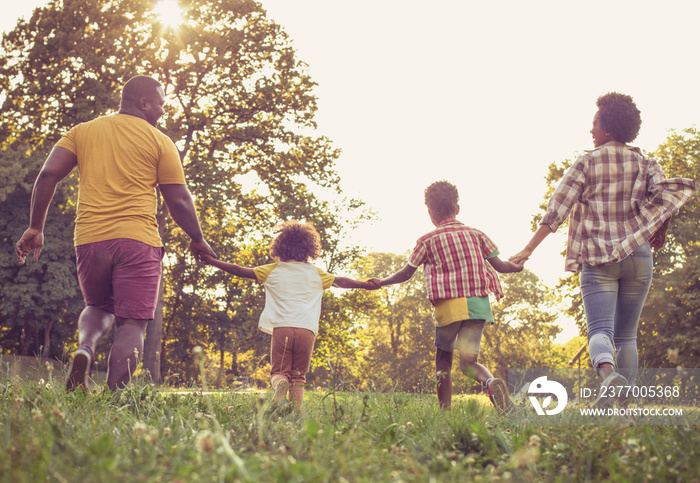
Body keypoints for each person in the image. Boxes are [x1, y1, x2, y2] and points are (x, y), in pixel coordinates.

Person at [15, 75, 215, 391]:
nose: (163, 111)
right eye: (161, 103)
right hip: (138, 241)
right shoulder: (161, 142)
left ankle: (85, 349)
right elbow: (177, 199)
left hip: (90, 239)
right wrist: (198, 237)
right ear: (144, 102)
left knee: (97, 307)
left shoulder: (83, 131)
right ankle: (114, 399)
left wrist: (36, 226)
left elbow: (48, 174)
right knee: (132, 323)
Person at [510, 92, 695, 406]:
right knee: (627, 336)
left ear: (608, 128)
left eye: (594, 123)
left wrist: (526, 251)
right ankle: (626, 412)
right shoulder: (647, 163)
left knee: (600, 331)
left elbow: (556, 211)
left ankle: (610, 379)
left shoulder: (586, 162)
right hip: (638, 256)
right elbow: (668, 197)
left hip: (598, 259)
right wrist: (659, 228)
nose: (591, 130)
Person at [369, 181, 525, 413]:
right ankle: (491, 383)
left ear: (431, 213)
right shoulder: (477, 234)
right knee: (469, 363)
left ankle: (445, 413)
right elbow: (501, 266)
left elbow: (406, 273)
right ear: (457, 208)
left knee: (444, 362)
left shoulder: (427, 240)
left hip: (449, 309)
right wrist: (516, 266)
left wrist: (381, 282)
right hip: (478, 308)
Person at [200, 220, 373, 411]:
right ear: (309, 248)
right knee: (299, 376)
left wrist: (211, 261)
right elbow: (342, 281)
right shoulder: (317, 274)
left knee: (280, 372)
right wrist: (367, 284)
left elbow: (239, 270)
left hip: (282, 329)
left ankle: (280, 384)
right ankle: (295, 412)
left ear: (280, 247)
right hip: (306, 331)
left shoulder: (272, 270)